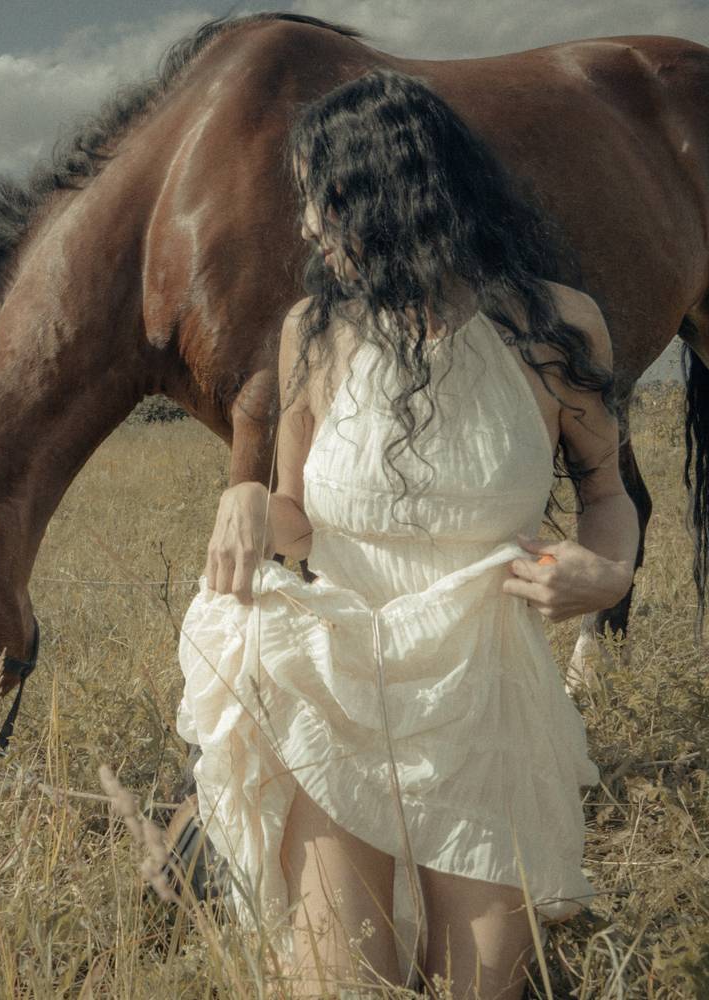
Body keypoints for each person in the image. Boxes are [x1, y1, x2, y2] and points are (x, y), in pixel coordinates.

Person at [174, 69, 638, 999]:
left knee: (478, 988)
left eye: (325, 200)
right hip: (343, 677)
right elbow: (299, 512)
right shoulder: (315, 329)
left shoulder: (554, 327)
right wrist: (250, 503)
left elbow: (606, 491)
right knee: (337, 986)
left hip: (486, 689)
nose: (308, 227)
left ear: (401, 193)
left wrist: (609, 571)